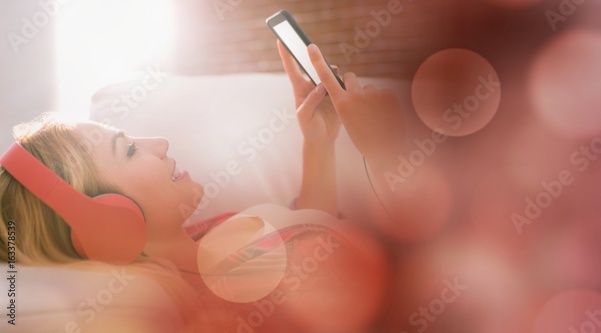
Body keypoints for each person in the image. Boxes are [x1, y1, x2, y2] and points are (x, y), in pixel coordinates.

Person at [0, 42, 405, 332]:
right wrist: (389, 155)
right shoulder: (220, 310)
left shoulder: (202, 238)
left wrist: (319, 145)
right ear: (103, 220)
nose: (159, 144)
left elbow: (312, 229)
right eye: (127, 150)